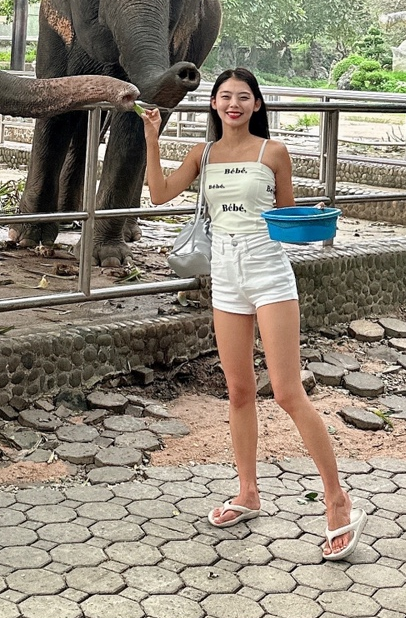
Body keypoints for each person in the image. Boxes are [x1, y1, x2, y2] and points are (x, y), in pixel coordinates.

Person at [142, 68, 366, 561]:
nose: (234, 104)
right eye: (225, 97)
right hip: (225, 275)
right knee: (239, 390)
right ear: (215, 105)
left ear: (258, 104)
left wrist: (315, 223)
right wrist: (152, 138)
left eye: (243, 97)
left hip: (268, 271)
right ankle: (248, 491)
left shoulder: (274, 153)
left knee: (287, 391)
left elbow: (287, 218)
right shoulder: (204, 153)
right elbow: (159, 194)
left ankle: (336, 499)